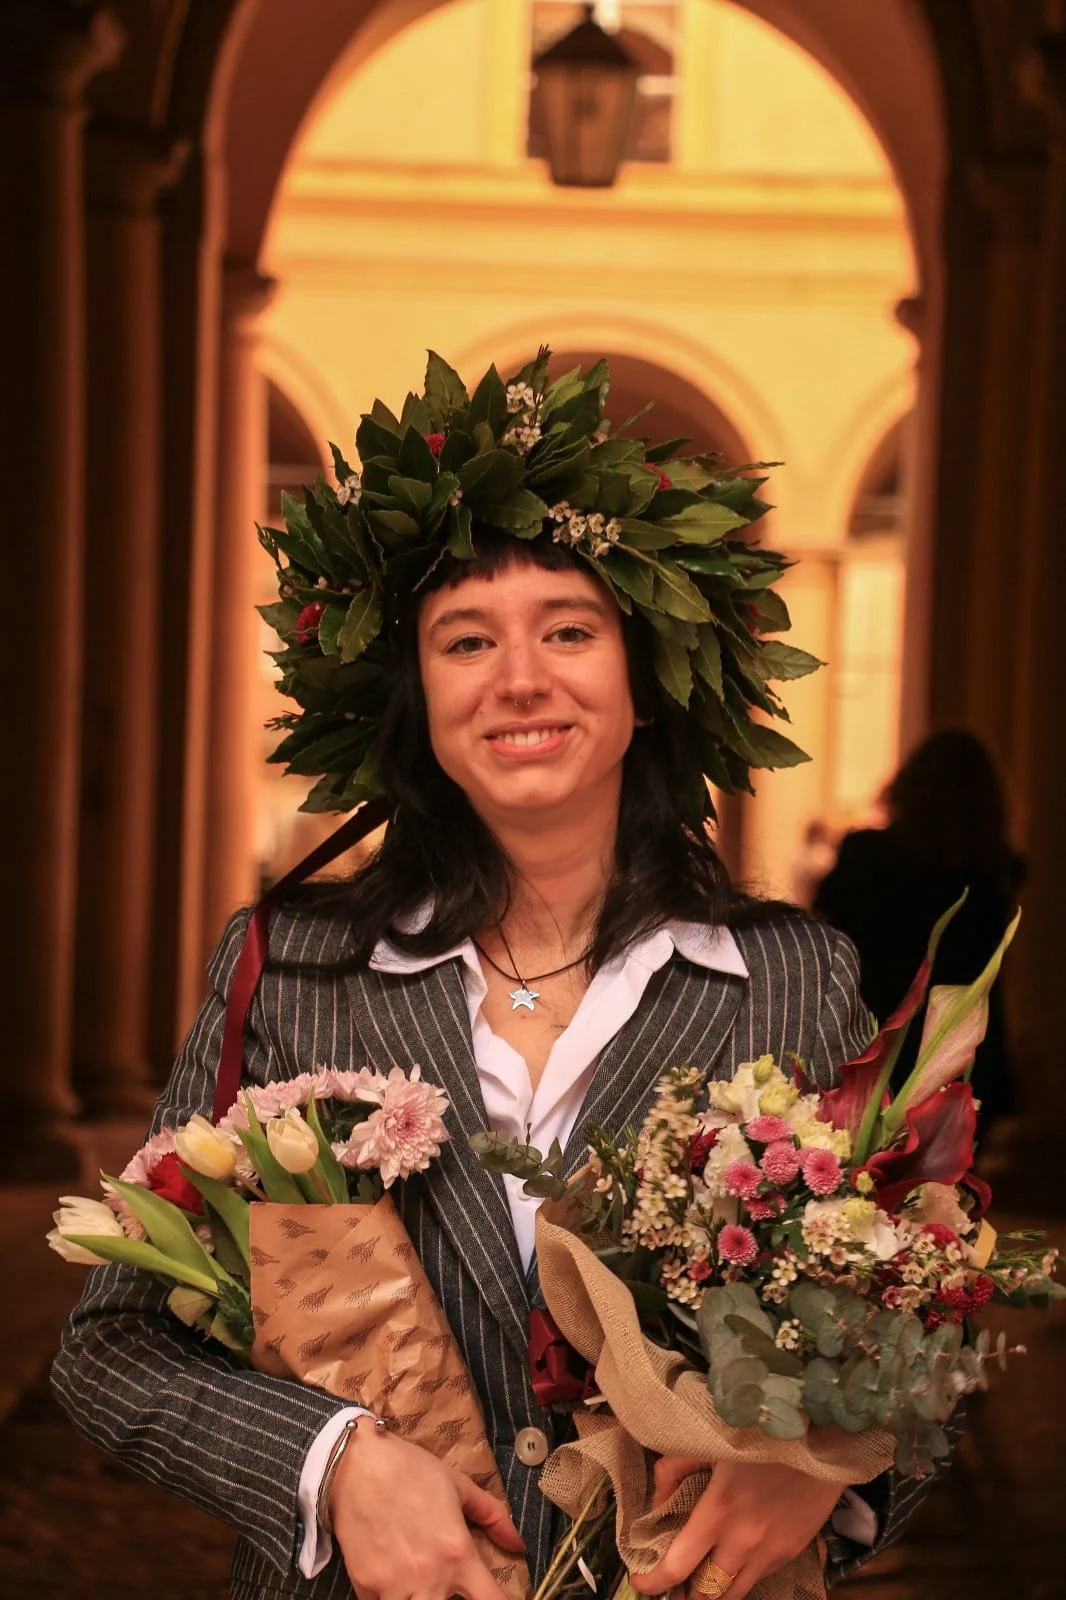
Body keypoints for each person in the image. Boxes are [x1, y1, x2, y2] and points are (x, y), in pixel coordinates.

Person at [53, 353, 944, 1600]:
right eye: (466, 641)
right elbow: (111, 1347)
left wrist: (829, 1459)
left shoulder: (790, 977)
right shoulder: (289, 967)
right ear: (415, 696)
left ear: (648, 679)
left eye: (570, 632)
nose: (520, 680)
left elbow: (911, 1331)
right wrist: (330, 1462)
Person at [814, 729, 1023, 1132]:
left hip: (872, 1043)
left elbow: (822, 943)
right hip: (961, 1055)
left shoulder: (866, 859)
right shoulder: (996, 875)